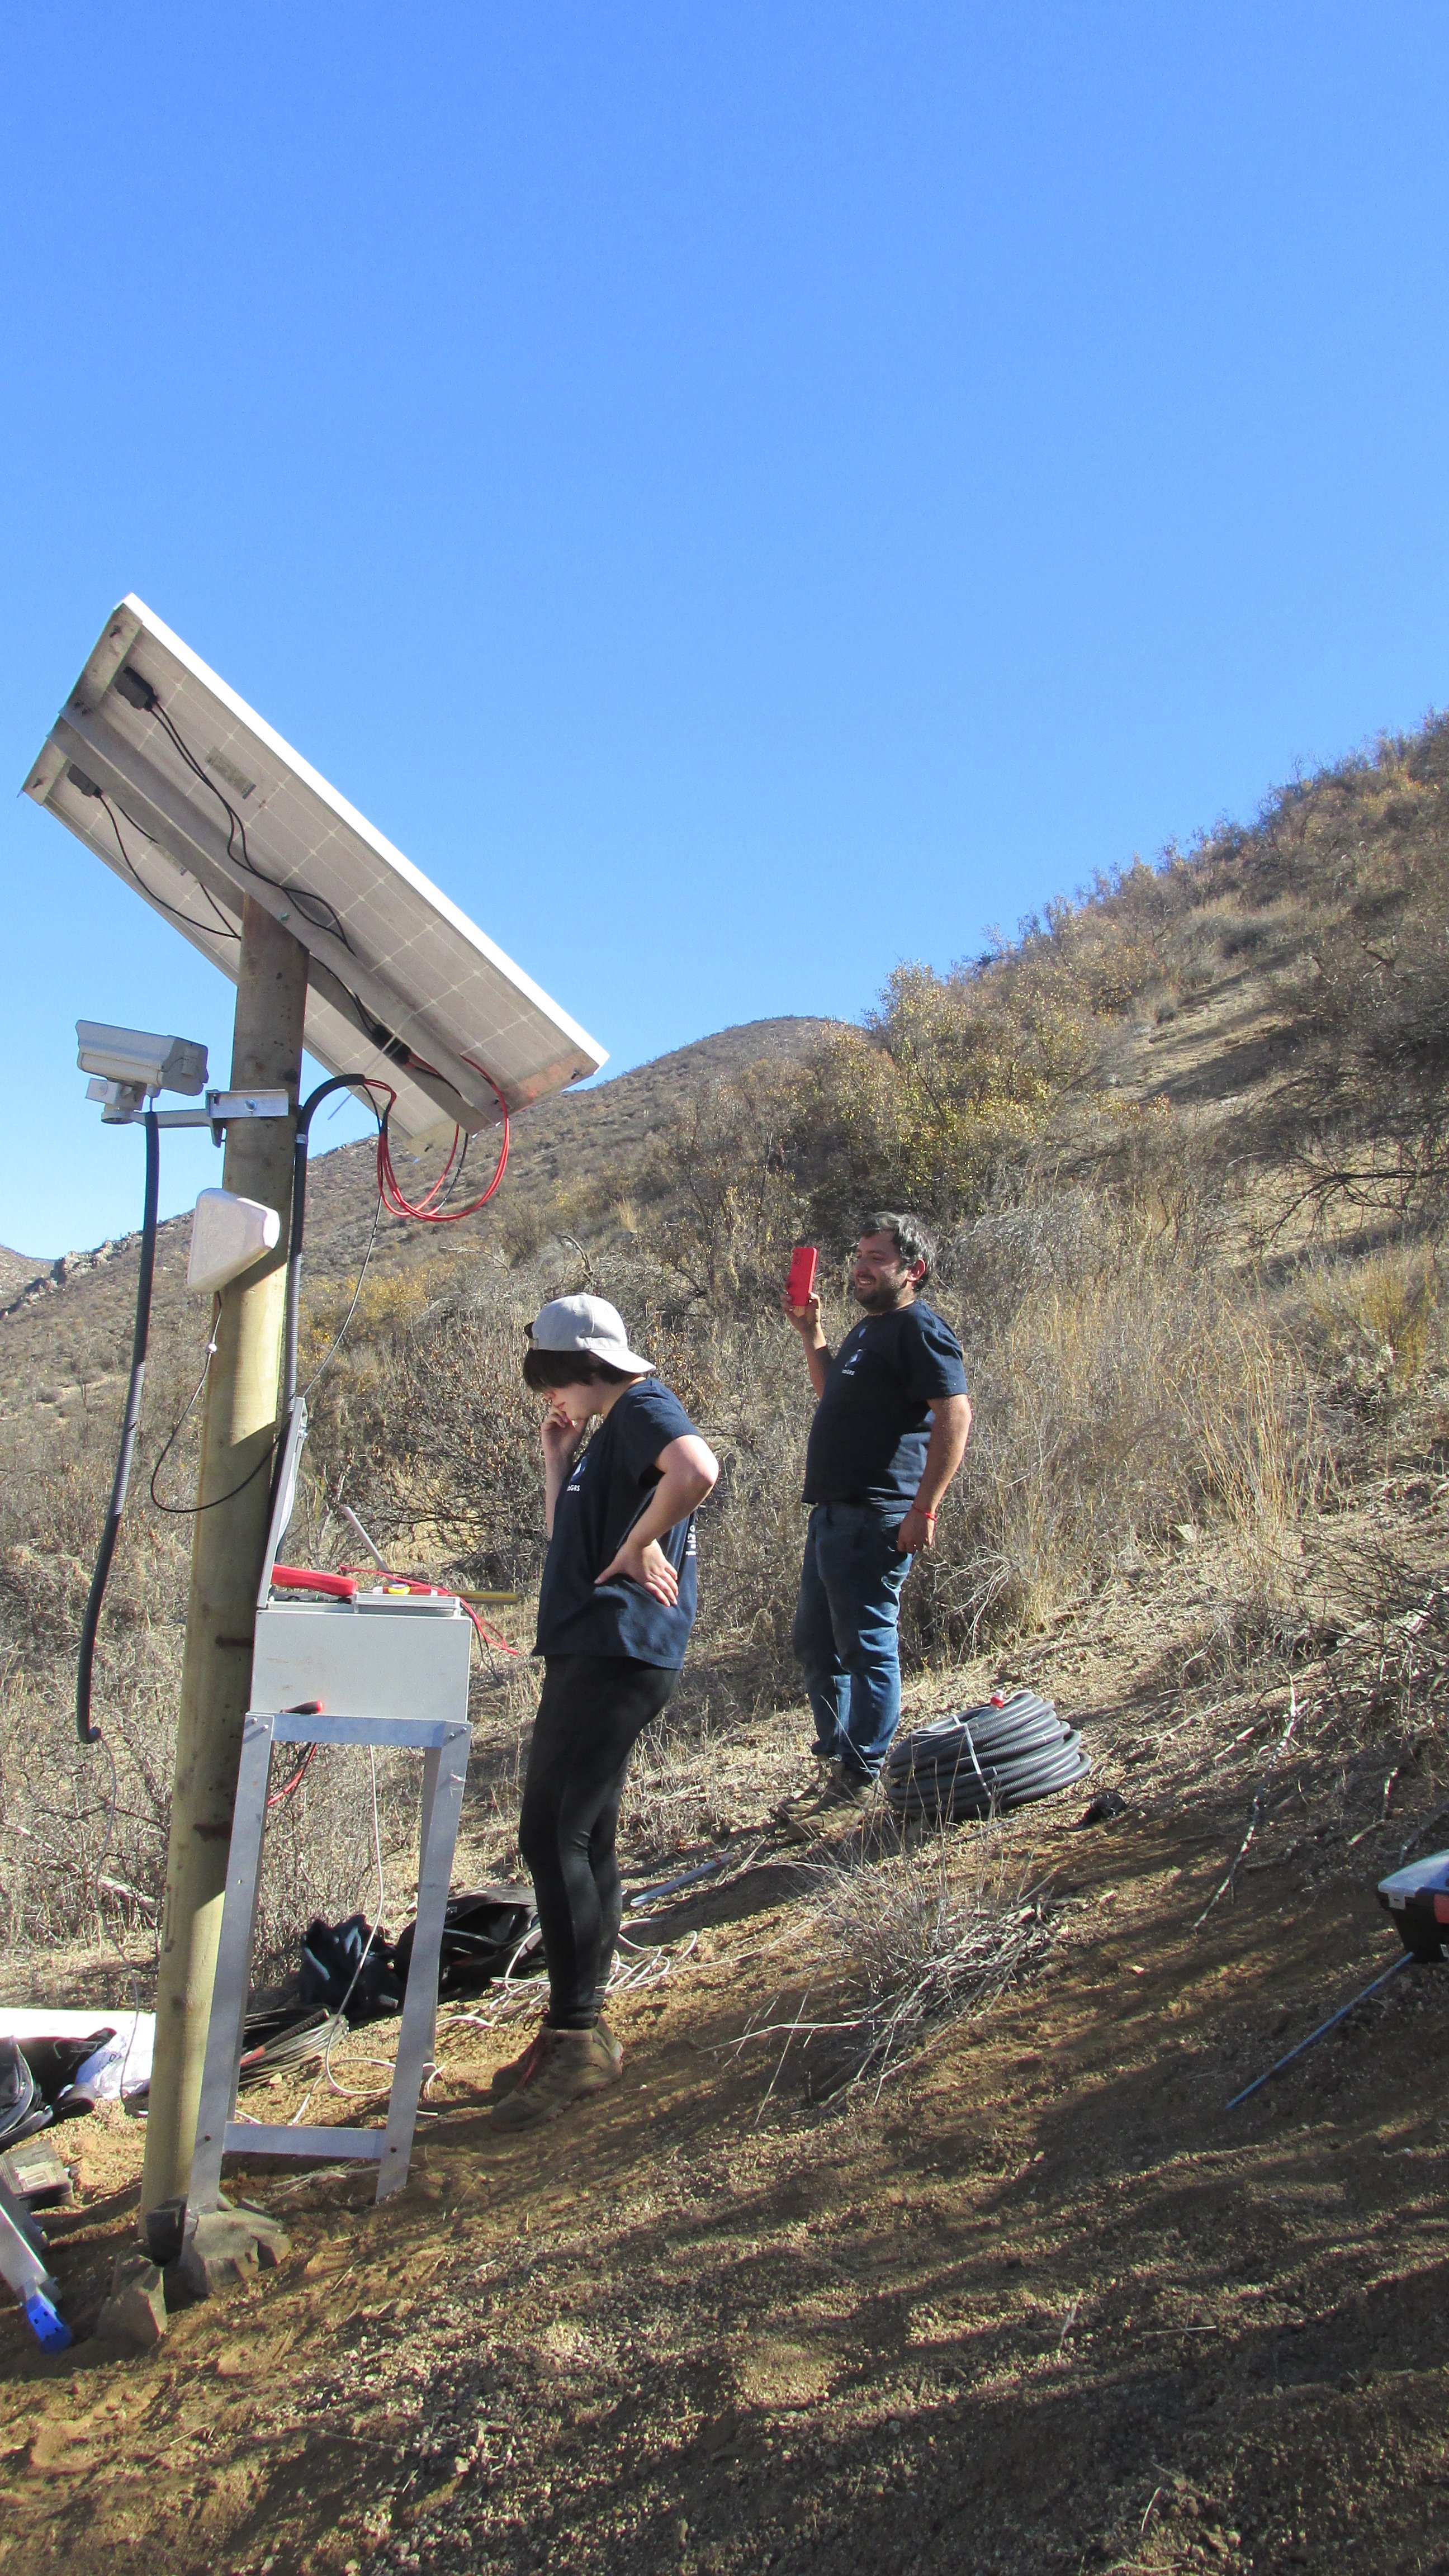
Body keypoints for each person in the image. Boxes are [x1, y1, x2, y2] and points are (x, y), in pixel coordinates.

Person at [491, 1293, 718, 2129]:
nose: (549, 1397)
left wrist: (640, 1542)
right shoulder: (607, 1431)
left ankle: (578, 2036)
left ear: (584, 1366)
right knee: (584, 1837)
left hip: (613, 1650)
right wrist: (558, 1460)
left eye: (551, 1380)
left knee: (549, 1835)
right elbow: (571, 1543)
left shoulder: (643, 1407)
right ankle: (580, 2027)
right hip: (596, 1647)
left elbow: (698, 1470)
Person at [782, 1212, 970, 1814]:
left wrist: (926, 1509)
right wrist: (812, 1333)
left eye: (877, 1258)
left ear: (914, 1270)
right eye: (859, 1255)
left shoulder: (920, 1328)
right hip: (833, 1515)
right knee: (817, 1644)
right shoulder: (870, 1330)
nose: (861, 1268)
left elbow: (955, 1414)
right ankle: (838, 1762)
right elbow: (833, 1394)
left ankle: (860, 1776)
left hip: (876, 1515)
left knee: (866, 1647)